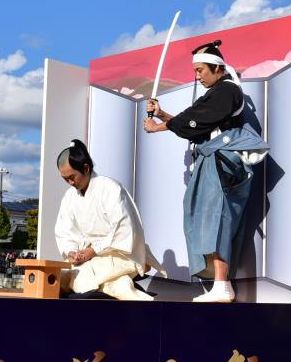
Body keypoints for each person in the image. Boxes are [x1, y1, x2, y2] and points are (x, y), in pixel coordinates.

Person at [143, 40, 267, 303]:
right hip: (215, 159)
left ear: (217, 68)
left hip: (222, 161)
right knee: (205, 217)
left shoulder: (227, 91)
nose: (197, 76)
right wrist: (163, 115)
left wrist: (158, 126)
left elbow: (198, 119)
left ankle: (222, 284)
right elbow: (196, 120)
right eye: (196, 71)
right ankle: (219, 283)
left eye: (201, 70)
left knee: (217, 218)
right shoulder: (219, 93)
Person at [53, 139, 158, 300]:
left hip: (119, 253)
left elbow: (124, 230)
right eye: (65, 179)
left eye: (72, 177)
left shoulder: (111, 188)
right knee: (60, 277)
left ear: (86, 168)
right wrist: (72, 251)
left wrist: (93, 250)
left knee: (86, 280)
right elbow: (65, 231)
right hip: (87, 256)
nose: (70, 182)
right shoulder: (69, 197)